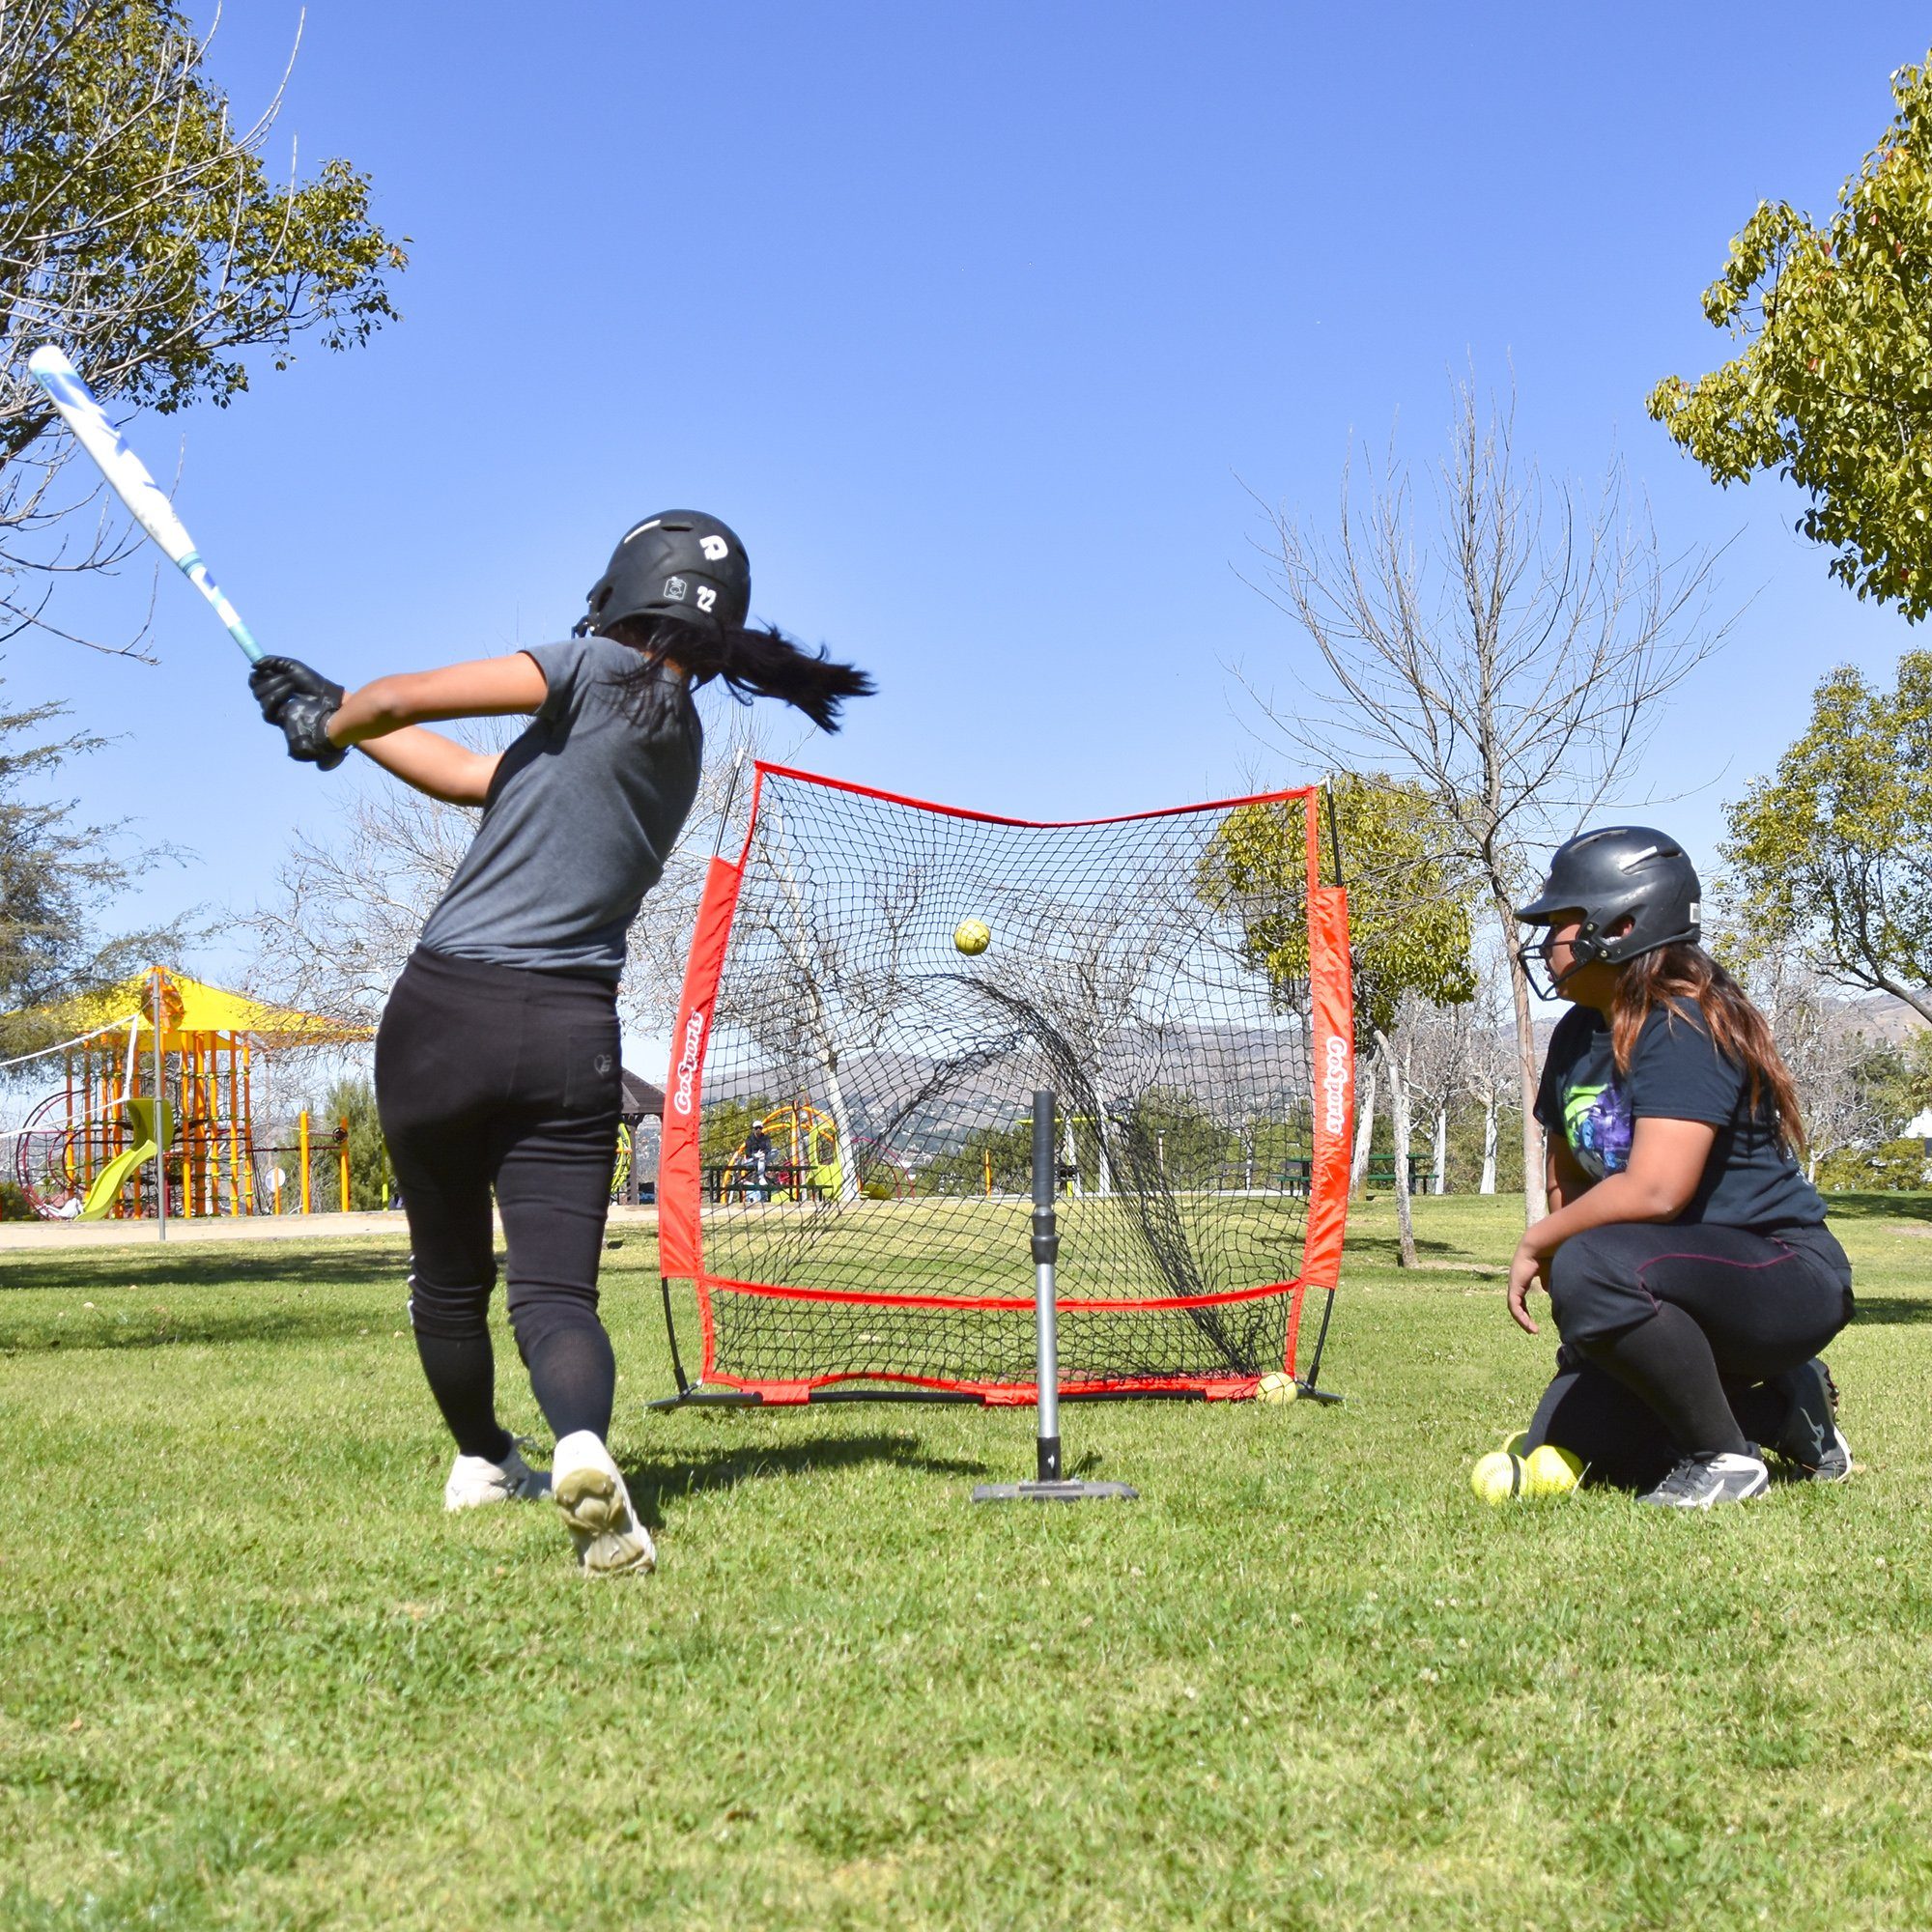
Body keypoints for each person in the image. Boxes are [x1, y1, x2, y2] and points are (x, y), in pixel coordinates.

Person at [249, 512, 872, 1574]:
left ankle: (483, 1457)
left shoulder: (583, 666)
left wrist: (339, 717)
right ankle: (579, 1442)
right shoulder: (677, 740)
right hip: (569, 1031)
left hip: (441, 1016)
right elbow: (459, 773)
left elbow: (403, 701)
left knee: (449, 1279)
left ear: (618, 594)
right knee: (555, 1294)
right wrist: (331, 713)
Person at [1509, 826, 1855, 1508]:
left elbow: (1657, 1190)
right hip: (1667, 1276)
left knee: (1592, 1264)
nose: (1547, 942)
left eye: (1560, 921)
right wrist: (1586, 1318)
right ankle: (1788, 1408)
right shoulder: (1577, 1034)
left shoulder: (1682, 1022)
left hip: (1779, 1272)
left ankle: (1723, 1460)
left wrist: (1543, 1245)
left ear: (1623, 924)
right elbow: (1569, 1174)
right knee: (1575, 1441)